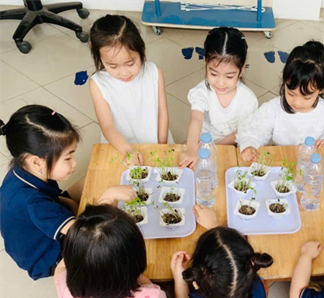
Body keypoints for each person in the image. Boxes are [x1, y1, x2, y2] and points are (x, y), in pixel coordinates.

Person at [0, 105, 135, 280]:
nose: (75, 163)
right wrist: (108, 197)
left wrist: (71, 204)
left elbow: (52, 200)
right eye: (68, 158)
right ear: (36, 162)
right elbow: (86, 235)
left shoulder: (23, 170)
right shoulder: (34, 202)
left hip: (40, 218)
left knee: (89, 184)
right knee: (108, 245)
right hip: (47, 256)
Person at [237, 40, 324, 162]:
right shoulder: (273, 108)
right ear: (285, 81)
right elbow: (254, 131)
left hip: (310, 165)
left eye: (306, 97)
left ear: (321, 88)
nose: (297, 102)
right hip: (280, 161)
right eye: (291, 93)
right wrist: (249, 145)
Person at [89, 14, 172, 165]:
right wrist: (128, 150)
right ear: (100, 59)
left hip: (156, 141)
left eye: (130, 63)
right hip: (120, 147)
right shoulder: (98, 84)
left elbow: (162, 113)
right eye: (113, 66)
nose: (124, 73)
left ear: (141, 51)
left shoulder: (154, 73)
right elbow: (107, 126)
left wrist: (161, 146)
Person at [179, 27, 258, 168]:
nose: (220, 83)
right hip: (201, 146)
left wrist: (212, 149)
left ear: (241, 70)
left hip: (231, 148)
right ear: (205, 62)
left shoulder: (247, 100)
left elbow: (241, 135)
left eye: (229, 76)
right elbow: (196, 120)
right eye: (214, 74)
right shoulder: (202, 92)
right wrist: (192, 149)